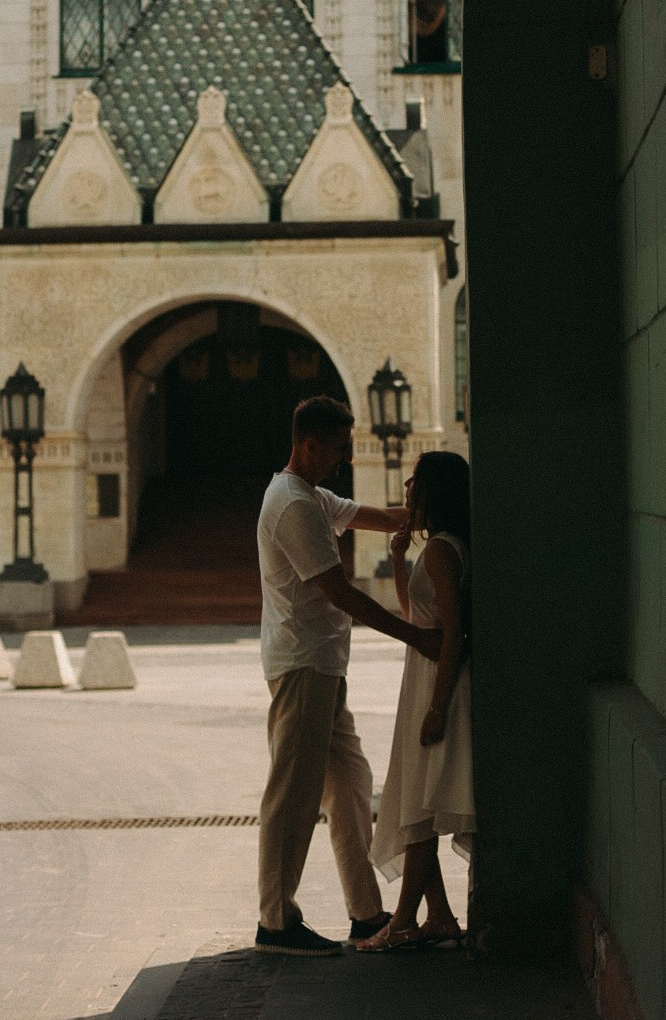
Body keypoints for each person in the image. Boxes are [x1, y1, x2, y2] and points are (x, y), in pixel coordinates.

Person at [255, 395, 442, 958]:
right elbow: (338, 591)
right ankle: (275, 923)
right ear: (308, 443)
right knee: (292, 796)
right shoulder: (292, 503)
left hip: (323, 667)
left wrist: (442, 512)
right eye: (337, 449)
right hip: (304, 665)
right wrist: (417, 637)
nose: (341, 459)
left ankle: (365, 914)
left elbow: (378, 517)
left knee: (351, 788)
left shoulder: (311, 495)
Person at [357, 450, 475, 952]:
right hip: (422, 679)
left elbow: (452, 634)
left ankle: (403, 922)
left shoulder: (443, 552)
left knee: (419, 807)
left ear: (433, 493)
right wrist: (401, 561)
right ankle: (440, 915)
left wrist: (436, 708)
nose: (407, 489)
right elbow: (415, 614)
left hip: (435, 683)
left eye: (415, 483)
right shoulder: (437, 551)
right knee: (414, 797)